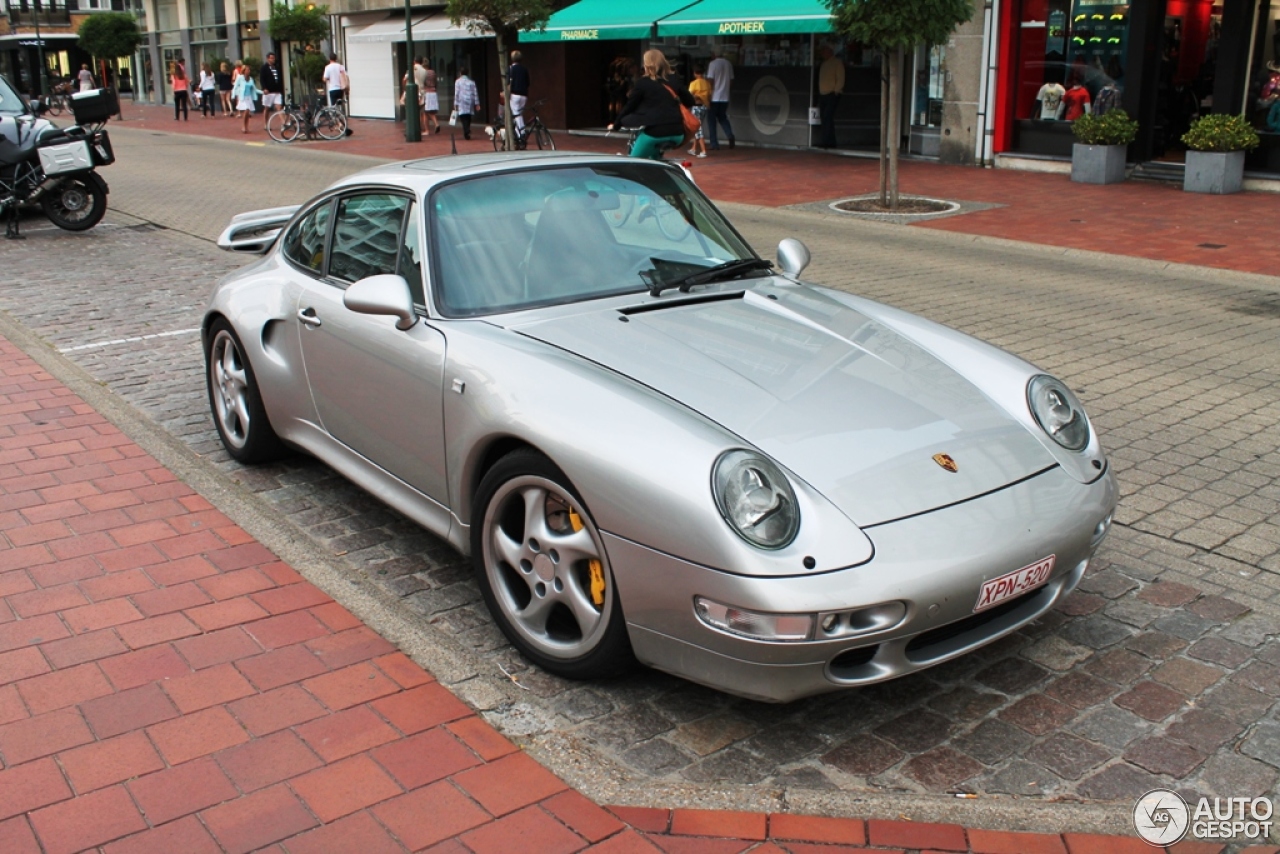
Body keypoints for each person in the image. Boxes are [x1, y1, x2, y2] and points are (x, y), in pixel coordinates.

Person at [608, 48, 695, 161]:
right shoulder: (673, 80)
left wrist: (616, 125)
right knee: (654, 159)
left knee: (633, 163)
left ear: (646, 64)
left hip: (655, 133)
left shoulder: (643, 83)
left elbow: (629, 107)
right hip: (678, 133)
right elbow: (690, 101)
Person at [706, 49, 735, 150]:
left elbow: (710, 80)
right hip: (725, 96)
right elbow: (731, 81)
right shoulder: (728, 64)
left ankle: (714, 143)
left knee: (711, 120)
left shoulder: (712, 64)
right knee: (722, 117)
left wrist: (708, 95)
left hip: (714, 96)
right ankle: (730, 134)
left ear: (714, 54)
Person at [817, 44, 844, 148]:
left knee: (827, 117)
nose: (823, 53)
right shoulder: (824, 64)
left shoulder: (837, 63)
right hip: (823, 94)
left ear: (830, 52)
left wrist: (836, 91)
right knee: (825, 118)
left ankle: (829, 142)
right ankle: (827, 141)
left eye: (825, 51)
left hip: (832, 94)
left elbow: (841, 78)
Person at [688, 64, 711, 158]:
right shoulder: (707, 83)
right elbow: (709, 95)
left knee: (697, 128)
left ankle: (703, 150)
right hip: (704, 107)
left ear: (695, 73)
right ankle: (693, 148)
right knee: (699, 125)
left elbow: (689, 95)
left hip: (696, 107)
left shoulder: (693, 84)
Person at [454, 66, 479, 140]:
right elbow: (475, 93)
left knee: (462, 116)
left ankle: (466, 129)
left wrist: (455, 103)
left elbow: (457, 93)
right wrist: (477, 103)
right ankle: (467, 129)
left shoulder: (458, 81)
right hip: (470, 100)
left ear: (460, 73)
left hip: (461, 100)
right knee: (468, 115)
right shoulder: (471, 82)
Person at [232, 61, 257, 134]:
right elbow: (235, 87)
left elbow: (255, 89)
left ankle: (246, 126)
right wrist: (233, 96)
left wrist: (263, 92)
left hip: (249, 97)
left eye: (249, 70)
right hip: (243, 97)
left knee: (248, 112)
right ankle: (243, 126)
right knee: (246, 110)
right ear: (244, 71)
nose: (249, 71)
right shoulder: (240, 78)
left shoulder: (251, 79)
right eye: (247, 70)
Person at [260, 52, 284, 130]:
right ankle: (266, 124)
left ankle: (283, 123)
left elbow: (279, 79)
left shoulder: (276, 67)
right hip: (269, 92)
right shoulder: (264, 68)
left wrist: (280, 89)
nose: (273, 60)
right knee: (267, 108)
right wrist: (264, 88)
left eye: (274, 58)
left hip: (276, 91)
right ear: (268, 58)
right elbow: (262, 79)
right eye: (271, 58)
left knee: (279, 107)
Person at [508, 50, 529, 132]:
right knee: (519, 114)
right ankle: (519, 132)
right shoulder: (524, 69)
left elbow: (507, 82)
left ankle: (521, 133)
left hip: (514, 94)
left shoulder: (510, 69)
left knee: (516, 114)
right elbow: (528, 82)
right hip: (524, 95)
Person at [422, 60, 441, 134]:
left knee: (426, 111)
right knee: (429, 111)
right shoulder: (433, 72)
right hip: (433, 91)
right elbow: (436, 82)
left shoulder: (424, 73)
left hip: (427, 92)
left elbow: (423, 83)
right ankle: (429, 128)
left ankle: (434, 125)